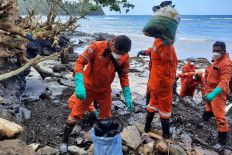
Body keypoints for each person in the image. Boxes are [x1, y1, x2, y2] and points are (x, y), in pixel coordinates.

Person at [59, 35, 133, 154]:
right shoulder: (97, 47)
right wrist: (79, 83)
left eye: (122, 53)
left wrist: (127, 94)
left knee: (106, 117)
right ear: (112, 43)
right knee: (75, 114)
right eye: (117, 52)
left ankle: (103, 143)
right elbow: (79, 62)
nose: (119, 55)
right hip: (88, 88)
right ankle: (64, 141)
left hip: (104, 91)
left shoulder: (124, 57)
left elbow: (123, 76)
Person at [144, 33, 178, 139]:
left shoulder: (157, 41)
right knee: (165, 109)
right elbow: (167, 57)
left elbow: (154, 49)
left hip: (154, 82)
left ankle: (146, 127)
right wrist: (168, 44)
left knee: (153, 104)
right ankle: (166, 134)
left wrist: (146, 52)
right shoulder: (164, 45)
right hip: (163, 84)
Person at [203, 41, 232, 149]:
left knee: (220, 117)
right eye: (214, 50)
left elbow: (224, 82)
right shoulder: (217, 59)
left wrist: (214, 94)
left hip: (218, 93)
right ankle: (205, 121)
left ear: (224, 51)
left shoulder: (227, 63)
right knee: (208, 108)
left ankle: (222, 142)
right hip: (209, 90)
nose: (215, 53)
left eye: (218, 51)